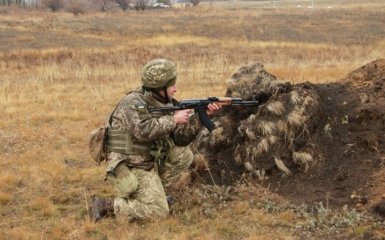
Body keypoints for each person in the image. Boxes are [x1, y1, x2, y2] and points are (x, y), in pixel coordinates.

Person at [89, 58, 220, 222]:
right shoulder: (132, 103)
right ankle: (105, 205)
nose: (176, 89)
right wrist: (174, 120)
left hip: (149, 158)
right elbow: (143, 131)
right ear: (159, 87)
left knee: (183, 154)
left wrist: (202, 118)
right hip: (131, 164)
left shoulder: (164, 101)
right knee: (158, 212)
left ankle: (154, 193)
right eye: (171, 85)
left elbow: (179, 139)